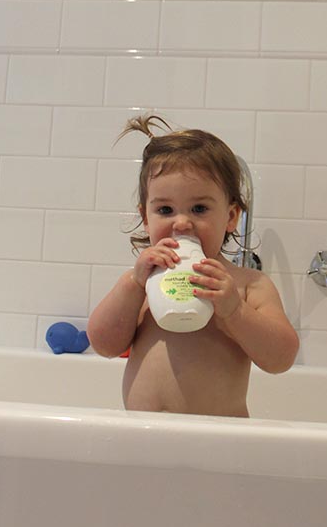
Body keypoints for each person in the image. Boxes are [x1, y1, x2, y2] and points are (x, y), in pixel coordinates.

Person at [87, 115, 299, 415]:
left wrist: (235, 312)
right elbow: (104, 345)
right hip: (143, 435)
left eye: (199, 208)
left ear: (230, 217)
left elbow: (281, 359)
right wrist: (133, 286)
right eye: (165, 209)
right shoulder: (142, 283)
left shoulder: (247, 286)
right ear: (146, 217)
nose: (182, 222)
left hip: (217, 439)